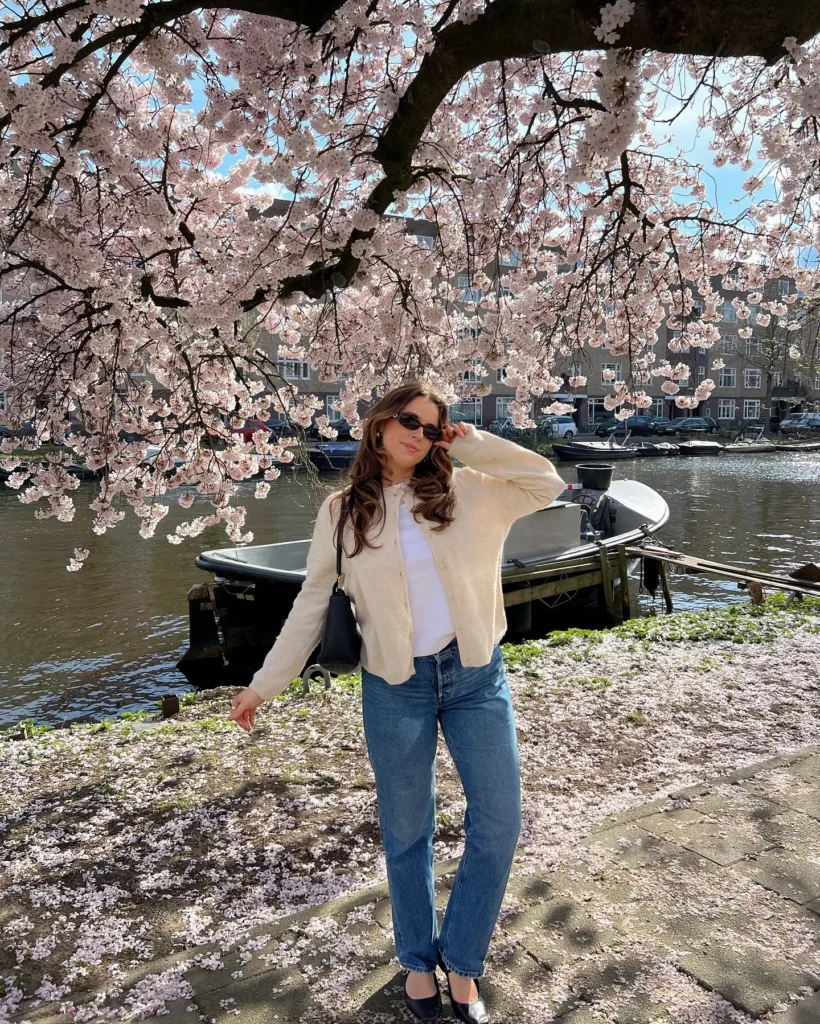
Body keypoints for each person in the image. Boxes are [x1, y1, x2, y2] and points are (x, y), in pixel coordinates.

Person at [228, 381, 565, 1022]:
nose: (420, 434)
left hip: (475, 681)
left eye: (434, 427)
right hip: (394, 687)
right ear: (380, 423)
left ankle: (463, 964)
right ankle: (417, 962)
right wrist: (263, 684)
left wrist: (475, 443)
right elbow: (310, 605)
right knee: (408, 832)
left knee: (499, 823)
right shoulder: (340, 512)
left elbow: (544, 482)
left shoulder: (470, 492)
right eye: (410, 420)